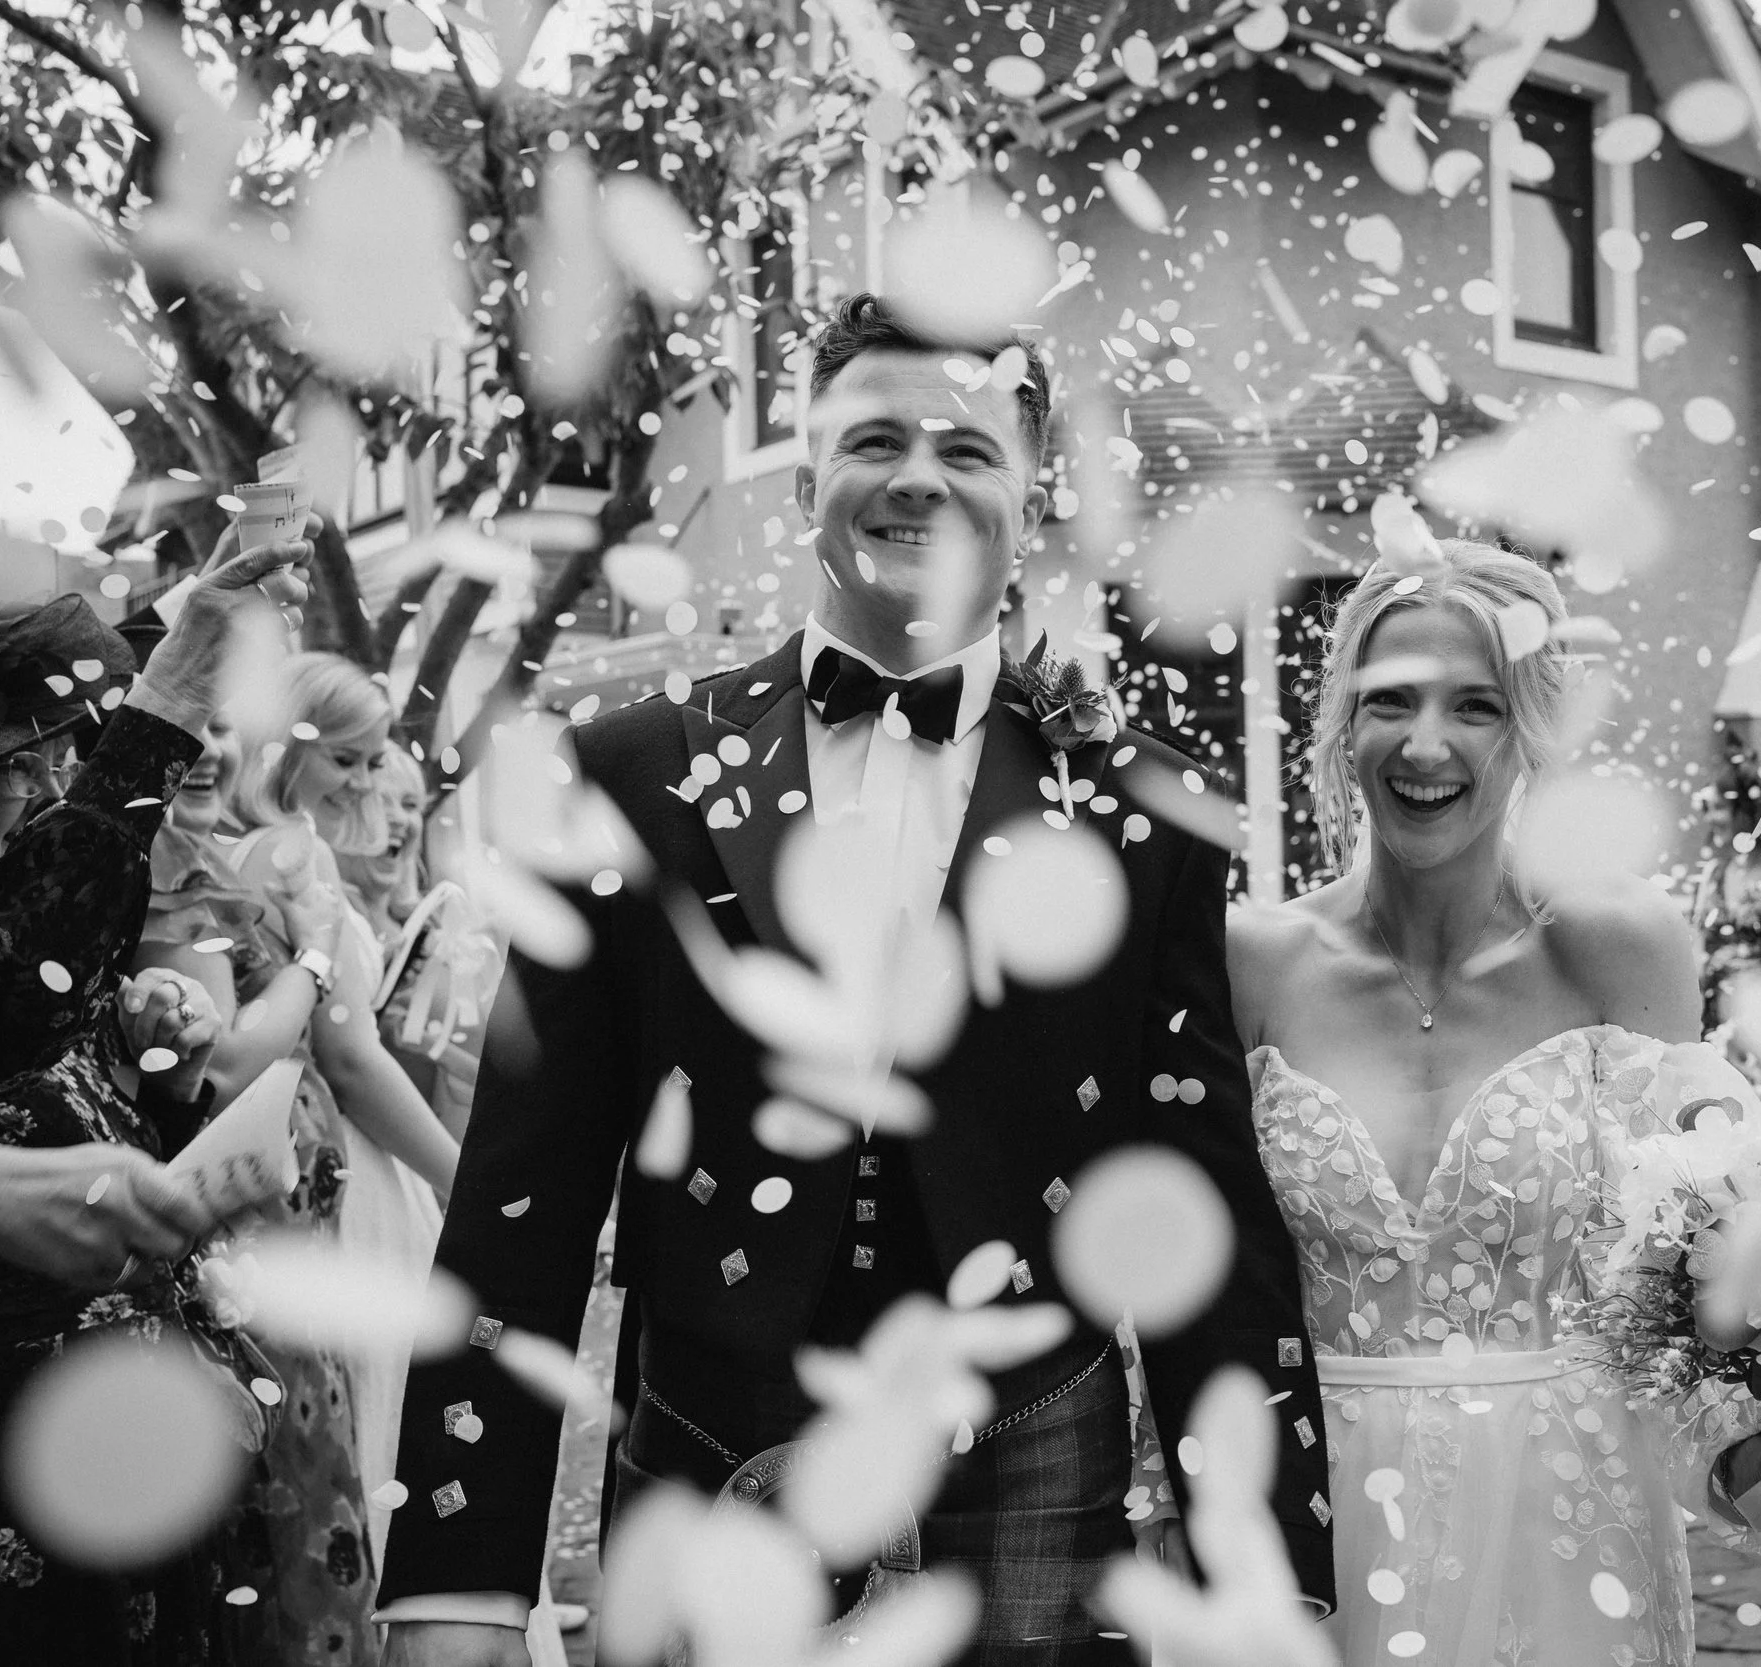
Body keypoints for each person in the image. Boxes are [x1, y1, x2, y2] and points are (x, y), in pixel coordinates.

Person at [372, 292, 1333, 1666]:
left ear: (1032, 494)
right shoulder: (631, 773)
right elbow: (523, 1190)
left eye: (969, 448)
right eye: (875, 439)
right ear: (808, 476)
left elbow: (1204, 1209)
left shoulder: (1145, 810)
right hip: (706, 1453)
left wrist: (1262, 1566)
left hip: (1036, 1473)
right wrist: (457, 1585)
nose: (918, 478)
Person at [1228, 538, 1761, 1666]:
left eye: (1476, 705)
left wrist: (1748, 1454)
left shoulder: (1619, 949)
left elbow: (1672, 1273)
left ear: (1532, 732)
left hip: (1565, 1521)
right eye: (1390, 699)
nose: (1425, 744)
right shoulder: (1253, 958)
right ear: (1342, 725)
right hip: (1313, 1516)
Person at [0, 525, 312, 1663]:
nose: (48, 787)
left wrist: (155, 1061)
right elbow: (1, 986)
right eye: (18, 763)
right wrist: (170, 695)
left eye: (52, 757)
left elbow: (48, 1068)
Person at [218, 656, 459, 1550]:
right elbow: (352, 1062)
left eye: (373, 759)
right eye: (344, 758)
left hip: (297, 1171)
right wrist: (465, 1184)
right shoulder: (295, 850)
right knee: (389, 1439)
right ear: (286, 747)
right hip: (349, 1181)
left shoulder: (236, 849)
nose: (363, 781)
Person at [335, 743, 498, 1142]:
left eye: (410, 805)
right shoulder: (334, 927)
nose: (399, 819)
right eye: (379, 803)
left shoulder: (442, 934)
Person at [1688, 724, 1761, 1017]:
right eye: (1708, 807)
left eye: (1721, 808)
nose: (1711, 818)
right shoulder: (1714, 873)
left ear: (1751, 812)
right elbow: (1697, 942)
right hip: (1709, 1012)